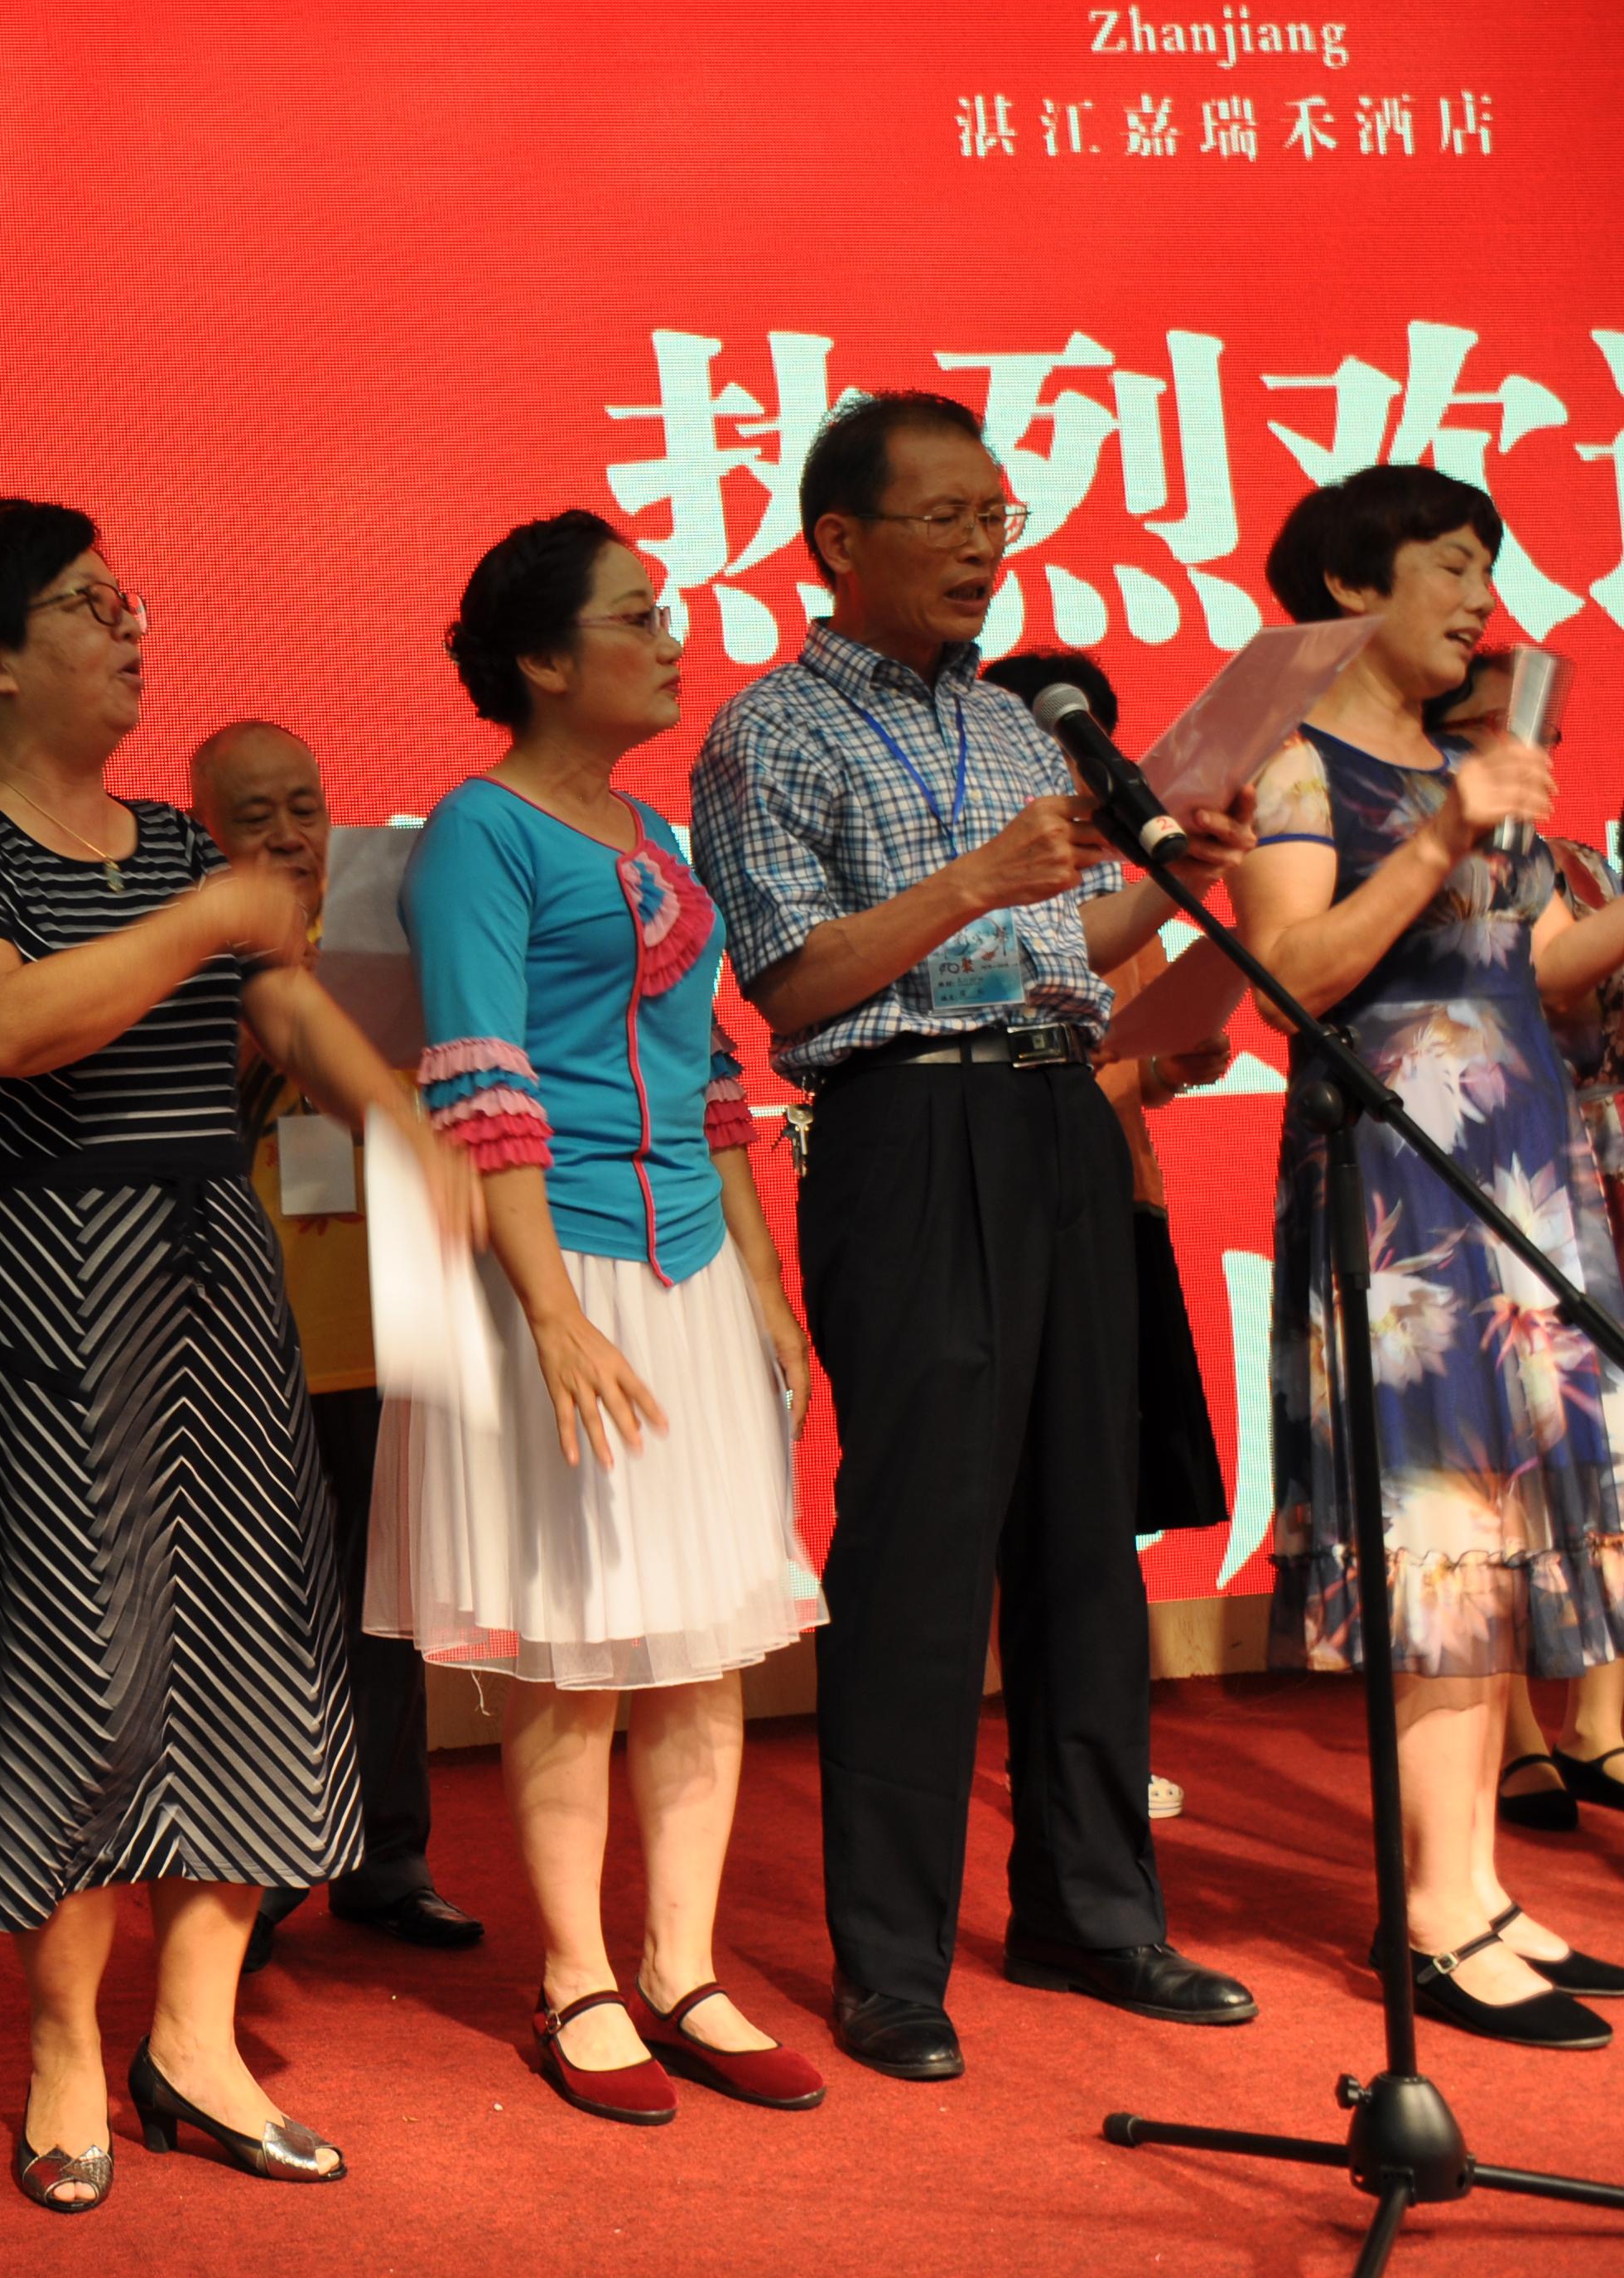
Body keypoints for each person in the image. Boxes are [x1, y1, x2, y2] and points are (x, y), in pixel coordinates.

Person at [0, 500, 479, 2213]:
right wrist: (212, 916)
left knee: (251, 1663)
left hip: (215, 1273)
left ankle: (195, 2043)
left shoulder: (168, 847)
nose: (128, 627)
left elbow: (280, 1007)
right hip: (46, 1283)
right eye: (83, 605)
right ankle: (64, 2045)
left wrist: (404, 1128)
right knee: (77, 1677)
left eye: (124, 598)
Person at [687, 391, 1262, 2086]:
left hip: (1058, 1118)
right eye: (942, 516)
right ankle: (889, 1959)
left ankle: (1093, 1906)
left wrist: (1177, 879)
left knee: (1086, 1533)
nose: (981, 545)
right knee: (922, 1546)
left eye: (996, 515)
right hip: (906, 1130)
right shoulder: (768, 731)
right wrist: (975, 883)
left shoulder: (1025, 725)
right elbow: (791, 981)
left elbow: (1066, 942)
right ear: (838, 540)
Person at [375, 512, 826, 2126]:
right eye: (635, 617)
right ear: (541, 660)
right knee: (575, 1646)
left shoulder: (653, 833)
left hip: (689, 1269)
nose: (671, 638)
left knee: (703, 1636)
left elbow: (710, 1082)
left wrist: (763, 1288)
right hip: (553, 1268)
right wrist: (552, 1317)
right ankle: (576, 1975)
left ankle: (681, 1967)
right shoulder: (477, 834)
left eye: (665, 609)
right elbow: (475, 1081)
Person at [1225, 470, 1624, 2045]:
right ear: (1350, 584)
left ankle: (1483, 1889)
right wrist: (1445, 831)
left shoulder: (1457, 755)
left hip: (1520, 1168)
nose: (1478, 601)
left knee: (1510, 1539)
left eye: (1485, 571)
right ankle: (1435, 1920)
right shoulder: (1296, 761)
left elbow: (1523, 962)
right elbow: (1292, 972)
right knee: (1440, 1548)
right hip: (1402, 1185)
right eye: (1450, 568)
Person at [185, 719, 488, 1972]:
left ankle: (386, 1857)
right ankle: (250, 1866)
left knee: (386, 1609)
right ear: (203, 832)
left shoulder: (394, 928)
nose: (287, 835)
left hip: (385, 1316)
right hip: (241, 1331)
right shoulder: (183, 946)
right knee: (257, 1612)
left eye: (302, 808)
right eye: (252, 816)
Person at [988, 650, 1236, 1832]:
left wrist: (1183, 1054)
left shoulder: (1124, 874)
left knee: (1107, 1495)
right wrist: (1137, 1060)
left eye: (1095, 746)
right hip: (1022, 1202)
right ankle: (1060, 1750)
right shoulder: (995, 881)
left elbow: (1131, 1061)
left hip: (1123, 1199)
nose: (1085, 774)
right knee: (1039, 1496)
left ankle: (1098, 1747)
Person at [1443, 649, 1624, 1838]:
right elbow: (1553, 990)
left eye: (1543, 732)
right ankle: (1509, 1733)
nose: (1531, 751)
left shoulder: (1580, 865)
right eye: (1497, 726)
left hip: (1586, 1165)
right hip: (1473, 1163)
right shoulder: (1420, 841)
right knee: (1487, 1458)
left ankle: (1600, 1719)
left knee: (1600, 1447)